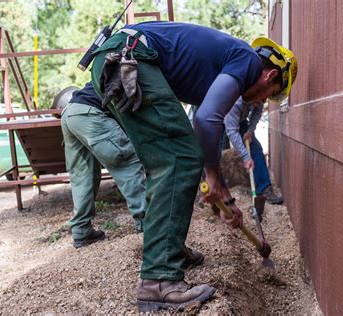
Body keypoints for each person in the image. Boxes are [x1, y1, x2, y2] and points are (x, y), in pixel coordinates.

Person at [90, 21, 297, 312]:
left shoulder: (218, 73)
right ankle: (159, 280)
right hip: (132, 58)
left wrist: (224, 197)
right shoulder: (248, 62)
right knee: (180, 158)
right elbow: (206, 120)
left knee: (166, 162)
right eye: (270, 93)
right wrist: (212, 174)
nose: (262, 100)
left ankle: (166, 251)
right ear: (270, 74)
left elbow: (206, 132)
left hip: (115, 58)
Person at [61, 82, 147, 248]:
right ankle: (149, 228)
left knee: (82, 175)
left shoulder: (115, 65)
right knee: (127, 163)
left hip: (69, 112)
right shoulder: (141, 72)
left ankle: (81, 231)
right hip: (90, 112)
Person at [224, 96, 283, 205]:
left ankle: (264, 188)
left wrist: (250, 130)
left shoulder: (260, 96)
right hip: (219, 118)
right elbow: (232, 131)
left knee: (255, 147)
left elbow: (257, 111)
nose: (259, 103)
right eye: (256, 101)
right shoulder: (236, 101)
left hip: (240, 120)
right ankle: (216, 192)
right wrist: (246, 157)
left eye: (263, 101)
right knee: (217, 155)